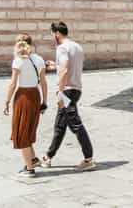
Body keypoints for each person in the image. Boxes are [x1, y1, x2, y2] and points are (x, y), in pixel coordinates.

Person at [42, 22, 95, 171]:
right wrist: (55, 66)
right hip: (76, 88)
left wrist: (59, 92)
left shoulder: (62, 48)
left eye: (53, 34)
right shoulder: (77, 47)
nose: (53, 37)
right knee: (60, 125)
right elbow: (68, 67)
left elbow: (65, 70)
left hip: (67, 90)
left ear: (57, 33)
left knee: (75, 125)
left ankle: (88, 158)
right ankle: (48, 157)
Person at [4, 34, 48, 177]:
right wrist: (44, 101)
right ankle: (33, 159)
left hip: (23, 97)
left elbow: (12, 84)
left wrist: (7, 101)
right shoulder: (39, 59)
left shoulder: (18, 61)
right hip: (35, 95)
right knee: (28, 129)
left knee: (22, 131)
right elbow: (44, 83)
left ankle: (29, 169)